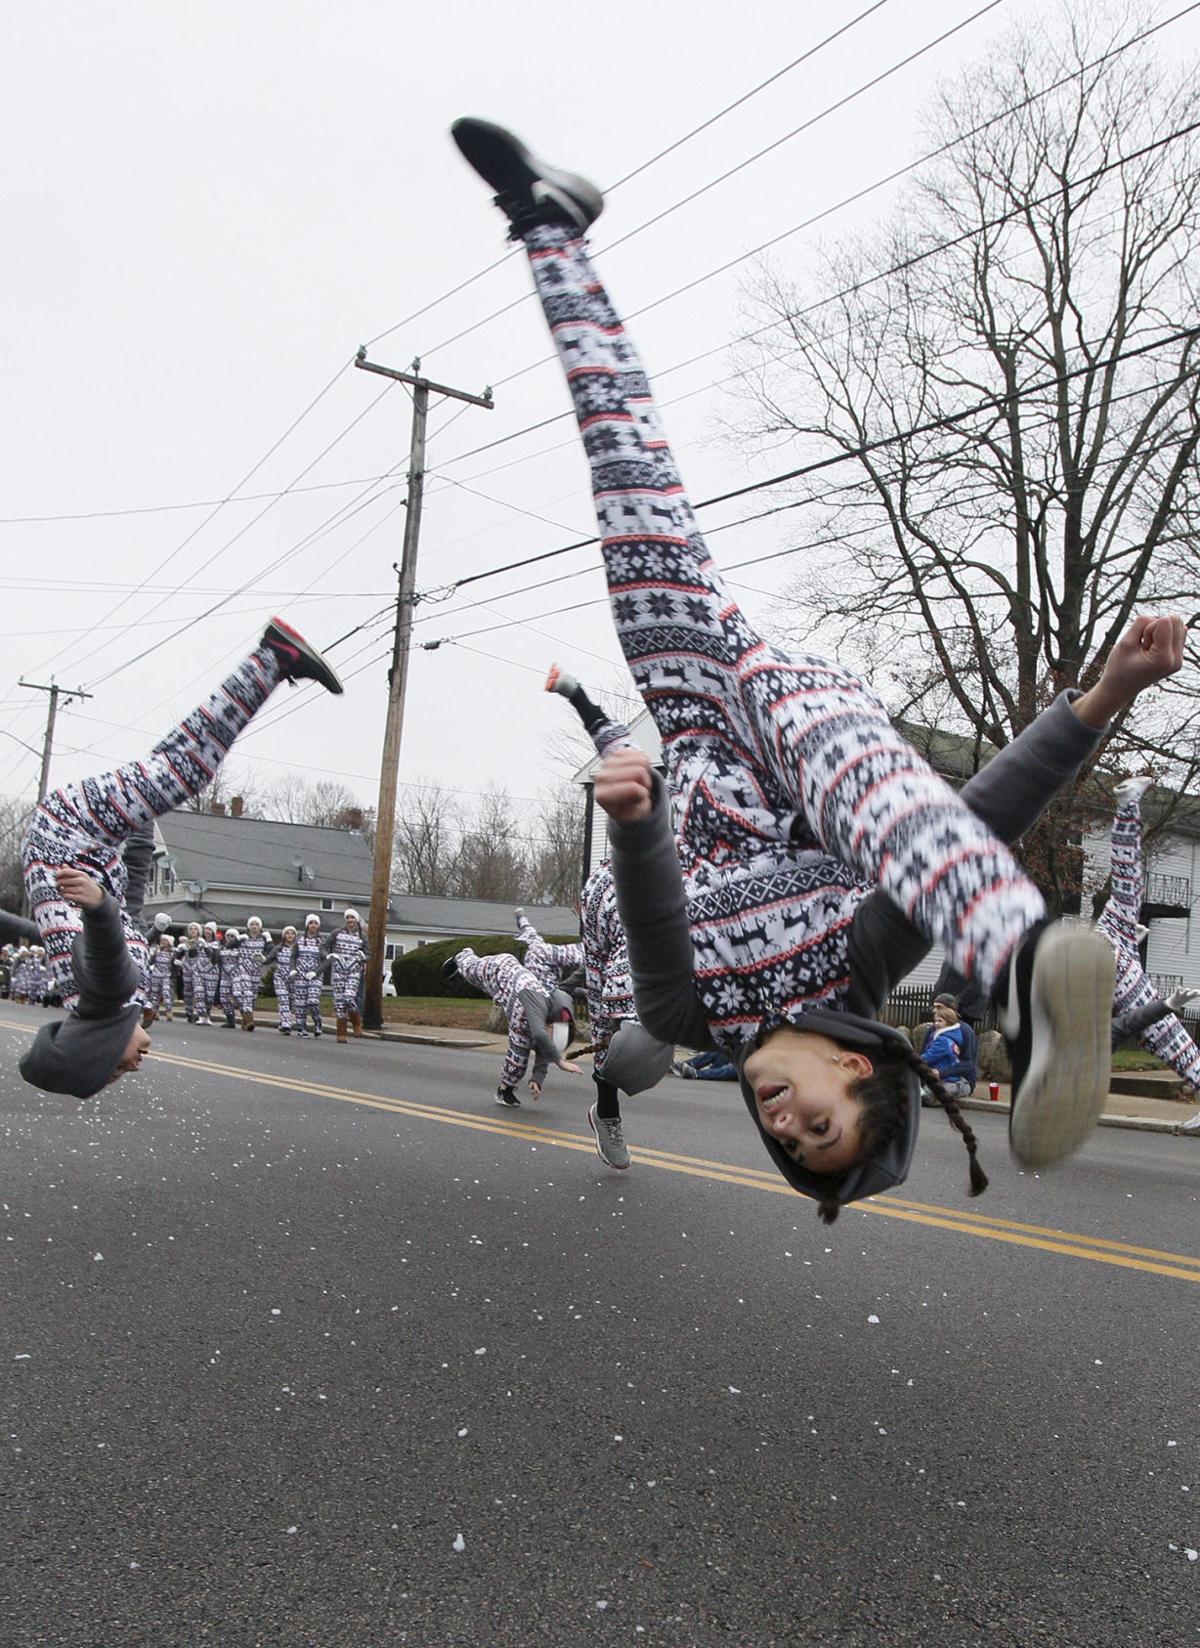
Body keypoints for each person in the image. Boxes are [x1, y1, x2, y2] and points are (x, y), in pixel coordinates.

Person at [451, 119, 1185, 1220]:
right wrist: (1104, 696)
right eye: (822, 1130)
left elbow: (653, 930)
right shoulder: (859, 960)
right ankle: (1019, 958)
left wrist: (639, 818)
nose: (783, 1129)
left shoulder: (696, 1018)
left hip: (695, 722)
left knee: (627, 481)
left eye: (787, 1148)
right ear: (856, 1068)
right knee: (820, 733)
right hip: (796, 732)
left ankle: (553, 231)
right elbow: (975, 808)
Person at [16, 619, 343, 1098]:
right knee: (172, 763)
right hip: (86, 847)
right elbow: (122, 911)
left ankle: (274, 657)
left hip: (67, 833)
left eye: (119, 1066)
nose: (135, 1066)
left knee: (187, 769)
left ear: (99, 1045)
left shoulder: (105, 994)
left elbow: (108, 948)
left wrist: (99, 908)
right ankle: (270, 662)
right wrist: (141, 831)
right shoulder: (99, 994)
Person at [545, 665, 676, 1168]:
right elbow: (614, 742)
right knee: (620, 1045)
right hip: (615, 936)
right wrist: (575, 694)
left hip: (666, 931)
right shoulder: (605, 884)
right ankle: (607, 1109)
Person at [1098, 777, 1200, 1132]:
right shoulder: (1106, 994)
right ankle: (1127, 804)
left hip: (1117, 942)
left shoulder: (1108, 938)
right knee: (1174, 1041)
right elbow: (1128, 1023)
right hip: (1123, 975)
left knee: (1129, 878)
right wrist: (1167, 1004)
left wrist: (1129, 945)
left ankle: (1127, 805)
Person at [443, 946, 581, 1107]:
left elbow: (546, 1052)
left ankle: (504, 1091)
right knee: (473, 972)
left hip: (517, 1017)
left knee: (518, 1061)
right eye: (553, 1030)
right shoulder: (538, 1002)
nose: (553, 1037)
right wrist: (560, 1062)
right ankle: (462, 956)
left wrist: (537, 1079)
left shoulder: (553, 1031)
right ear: (550, 1022)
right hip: (502, 970)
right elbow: (539, 1034)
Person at [918, 999, 977, 1101]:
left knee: (930, 1093)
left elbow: (968, 1064)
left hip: (960, 1079)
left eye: (939, 1007)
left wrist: (941, 1073)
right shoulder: (933, 1030)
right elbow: (925, 1056)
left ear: (951, 1010)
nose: (934, 1010)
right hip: (933, 1076)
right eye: (934, 1007)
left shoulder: (965, 1031)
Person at [328, 908, 367, 1044]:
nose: (350, 920)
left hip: (354, 971)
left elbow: (368, 953)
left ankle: (356, 1022)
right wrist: (329, 955)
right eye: (348, 917)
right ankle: (341, 1033)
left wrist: (363, 957)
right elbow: (324, 946)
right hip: (338, 971)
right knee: (339, 1003)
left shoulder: (362, 936)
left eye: (352, 918)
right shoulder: (337, 933)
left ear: (356, 920)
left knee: (349, 997)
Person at [293, 915, 326, 1038]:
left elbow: (326, 959)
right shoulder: (300, 940)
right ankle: (301, 1027)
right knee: (300, 1004)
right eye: (311, 923)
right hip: (300, 975)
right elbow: (293, 956)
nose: (313, 925)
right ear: (307, 925)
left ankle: (317, 1023)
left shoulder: (322, 941)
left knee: (312, 1001)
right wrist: (293, 970)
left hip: (315, 975)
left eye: (315, 923)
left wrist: (317, 972)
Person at [272, 925, 298, 1034]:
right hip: (280, 977)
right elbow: (268, 959)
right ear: (284, 936)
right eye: (287, 933)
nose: (290, 935)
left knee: (293, 1003)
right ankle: (286, 1024)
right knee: (283, 999)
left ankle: (283, 1020)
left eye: (292, 933)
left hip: (294, 978)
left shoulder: (299, 949)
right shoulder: (278, 948)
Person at [673, 1050, 739, 1081]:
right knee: (718, 1053)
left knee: (732, 1068)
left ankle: (695, 1073)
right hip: (739, 1060)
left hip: (741, 1069)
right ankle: (684, 1066)